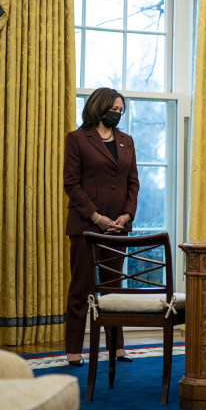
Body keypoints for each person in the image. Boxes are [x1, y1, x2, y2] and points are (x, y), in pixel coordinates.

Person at [63, 88, 139, 366]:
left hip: (118, 227)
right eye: (114, 109)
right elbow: (71, 183)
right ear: (100, 107)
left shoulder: (126, 141)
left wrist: (127, 215)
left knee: (113, 289)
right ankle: (74, 350)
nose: (117, 114)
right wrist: (95, 217)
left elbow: (133, 182)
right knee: (81, 288)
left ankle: (116, 347)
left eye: (121, 111)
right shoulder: (77, 139)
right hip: (86, 225)